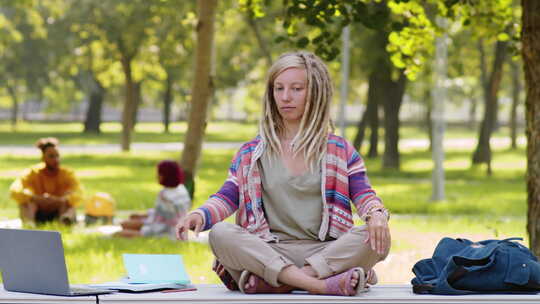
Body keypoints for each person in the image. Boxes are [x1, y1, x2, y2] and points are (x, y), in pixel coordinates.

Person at [176, 51, 391, 296]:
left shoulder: (339, 150)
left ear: (315, 93)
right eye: (279, 88)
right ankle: (319, 285)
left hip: (325, 252)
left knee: (373, 237)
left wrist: (376, 216)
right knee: (221, 233)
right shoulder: (251, 153)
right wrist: (200, 215)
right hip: (269, 252)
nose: (286, 97)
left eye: (297, 89)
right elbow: (228, 195)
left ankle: (281, 282)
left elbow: (364, 194)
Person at [9, 137, 82, 225]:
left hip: (58, 211)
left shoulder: (67, 173)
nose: (56, 160)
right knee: (26, 204)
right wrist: (34, 198)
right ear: (43, 158)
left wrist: (61, 200)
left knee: (68, 204)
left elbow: (79, 193)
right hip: (38, 212)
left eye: (57, 156)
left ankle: (65, 223)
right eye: (51, 156)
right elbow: (14, 191)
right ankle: (30, 226)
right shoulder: (32, 173)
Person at [115, 160, 191, 238]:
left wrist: (143, 229)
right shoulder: (181, 189)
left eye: (159, 174)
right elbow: (162, 214)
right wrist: (143, 216)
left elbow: (162, 223)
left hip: (165, 232)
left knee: (120, 231)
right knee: (130, 220)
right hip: (170, 227)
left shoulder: (165, 196)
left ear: (166, 176)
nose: (157, 176)